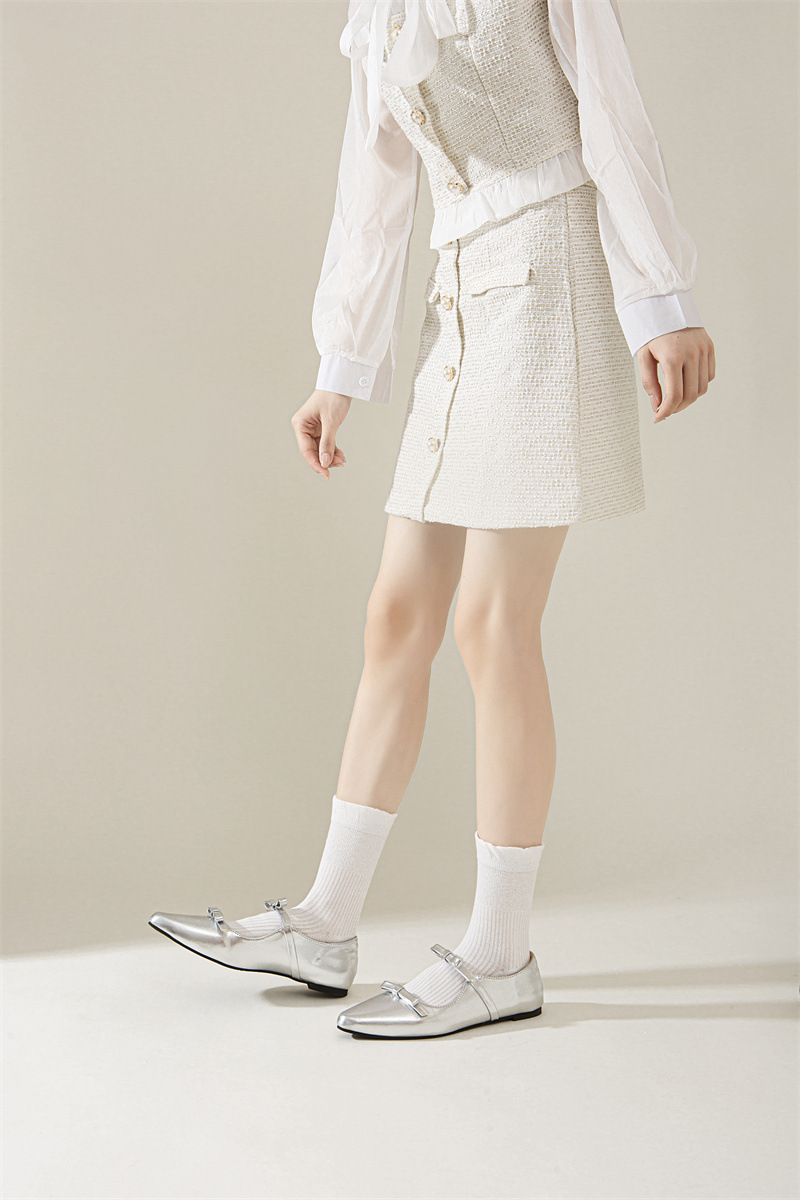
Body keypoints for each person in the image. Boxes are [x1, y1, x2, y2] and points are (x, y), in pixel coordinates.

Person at [150, 0, 715, 1039]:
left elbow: (611, 111)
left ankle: (501, 954)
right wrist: (340, 368)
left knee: (492, 625)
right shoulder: (378, 10)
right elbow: (373, 182)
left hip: (552, 279)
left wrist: (661, 298)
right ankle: (325, 922)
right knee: (396, 616)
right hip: (457, 300)